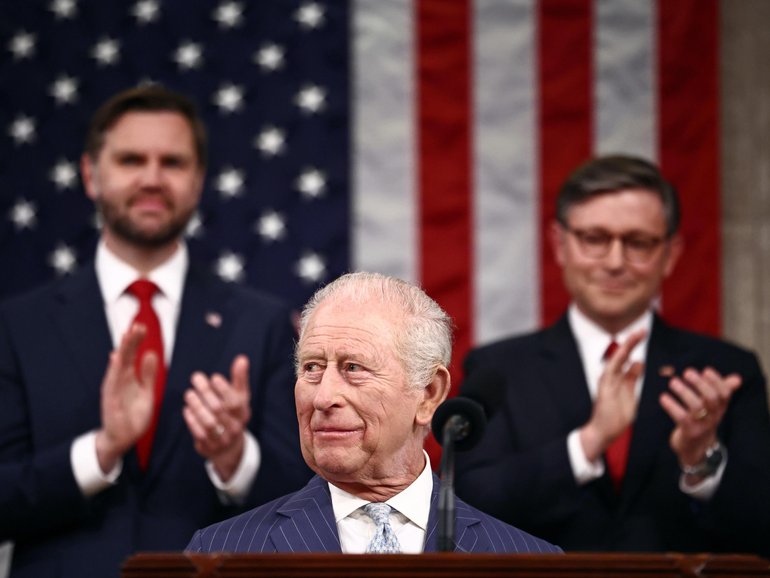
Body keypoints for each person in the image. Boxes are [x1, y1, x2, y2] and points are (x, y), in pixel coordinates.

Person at [0, 85, 311, 578]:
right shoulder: (18, 326)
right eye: (130, 160)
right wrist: (101, 450)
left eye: (172, 162)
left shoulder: (262, 322)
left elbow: (304, 503)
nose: (151, 179)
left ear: (198, 180)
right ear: (90, 175)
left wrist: (234, 459)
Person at [454, 155, 770, 555]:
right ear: (560, 245)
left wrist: (701, 461)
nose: (616, 262)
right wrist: (588, 443)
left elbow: (762, 528)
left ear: (671, 254)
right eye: (595, 239)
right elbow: (466, 510)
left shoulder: (724, 371)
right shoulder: (498, 369)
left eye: (638, 243)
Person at [186, 272, 561, 554]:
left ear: (429, 394)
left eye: (353, 368)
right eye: (312, 367)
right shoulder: (221, 554)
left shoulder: (527, 563)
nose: (323, 397)